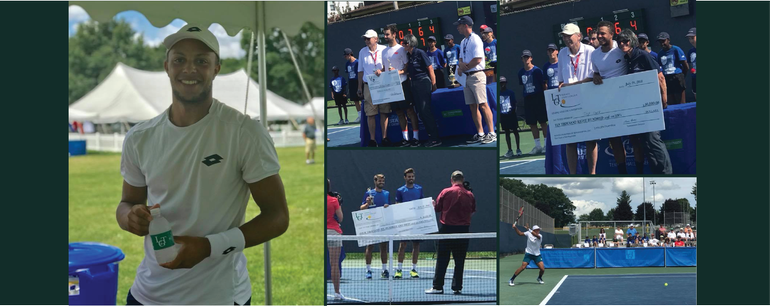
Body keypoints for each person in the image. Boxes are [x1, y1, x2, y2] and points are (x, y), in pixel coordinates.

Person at [118, 24, 289, 305]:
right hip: (148, 294)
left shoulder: (243, 132)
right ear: (167, 66)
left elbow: (278, 217)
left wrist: (209, 247)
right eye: (179, 60)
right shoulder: (140, 137)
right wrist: (130, 217)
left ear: (216, 69)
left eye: (201, 61)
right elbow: (126, 203)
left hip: (218, 296)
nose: (189, 69)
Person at [617, 29, 673, 174]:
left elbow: (660, 76)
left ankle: (667, 172)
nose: (623, 44)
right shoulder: (627, 59)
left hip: (651, 105)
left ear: (632, 41)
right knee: (645, 143)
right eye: (620, 42)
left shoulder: (643, 55)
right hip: (637, 107)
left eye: (626, 41)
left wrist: (664, 98)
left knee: (653, 140)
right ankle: (657, 171)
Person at [589, 21, 641, 175]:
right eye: (598, 33)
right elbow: (597, 72)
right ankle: (623, 173)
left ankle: (639, 172)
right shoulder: (594, 54)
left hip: (627, 101)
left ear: (612, 34)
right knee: (615, 141)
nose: (600, 36)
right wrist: (596, 75)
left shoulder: (621, 50)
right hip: (608, 104)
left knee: (634, 139)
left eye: (603, 33)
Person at [556, 23, 598, 174]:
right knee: (570, 140)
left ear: (579, 36)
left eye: (569, 35)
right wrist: (564, 86)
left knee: (590, 139)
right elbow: (561, 81)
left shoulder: (590, 51)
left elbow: (593, 77)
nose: (567, 39)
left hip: (588, 99)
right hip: (570, 102)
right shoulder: (561, 53)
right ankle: (573, 173)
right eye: (564, 36)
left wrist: (573, 85)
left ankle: (592, 173)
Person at [426, 170, 476, 295]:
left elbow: (437, 208)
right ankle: (457, 287)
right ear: (462, 180)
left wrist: (433, 204)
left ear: (451, 180)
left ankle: (437, 287)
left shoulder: (445, 192)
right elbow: (472, 211)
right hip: (463, 231)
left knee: (442, 259)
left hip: (446, 230)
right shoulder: (470, 195)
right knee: (460, 260)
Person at [455, 16, 496, 144]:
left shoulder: (476, 39)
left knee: (483, 104)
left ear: (466, 25)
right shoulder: (462, 41)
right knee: (473, 106)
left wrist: (465, 66)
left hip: (477, 75)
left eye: (460, 25)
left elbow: (478, 59)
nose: (458, 27)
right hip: (466, 77)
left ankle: (492, 133)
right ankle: (480, 133)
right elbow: (461, 58)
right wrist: (461, 65)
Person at [382, 25, 421, 147]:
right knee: (399, 112)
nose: (385, 37)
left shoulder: (401, 49)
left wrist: (398, 72)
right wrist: (379, 72)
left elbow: (406, 67)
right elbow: (384, 68)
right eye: (384, 34)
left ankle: (416, 137)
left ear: (394, 34)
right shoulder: (383, 51)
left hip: (402, 84)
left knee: (409, 111)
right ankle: (405, 138)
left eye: (387, 34)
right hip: (391, 86)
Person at [404, 34, 442, 147]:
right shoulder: (408, 55)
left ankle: (435, 138)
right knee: (420, 111)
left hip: (423, 82)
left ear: (410, 44)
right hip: (414, 83)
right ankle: (430, 136)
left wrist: (433, 84)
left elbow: (429, 68)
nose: (403, 45)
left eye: (405, 43)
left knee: (425, 110)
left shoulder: (420, 53)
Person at [357, 29, 390, 147]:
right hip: (369, 85)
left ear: (376, 39)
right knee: (370, 113)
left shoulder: (384, 49)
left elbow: (389, 66)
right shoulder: (362, 52)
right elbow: (360, 71)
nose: (366, 41)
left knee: (384, 111)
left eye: (368, 38)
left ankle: (385, 137)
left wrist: (382, 70)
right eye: (365, 38)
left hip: (382, 84)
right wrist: (359, 87)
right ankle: (372, 140)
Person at [360, 174, 391, 279]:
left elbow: (389, 208)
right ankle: (368, 270)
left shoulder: (387, 193)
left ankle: (384, 269)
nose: (381, 182)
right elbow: (362, 208)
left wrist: (388, 207)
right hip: (371, 224)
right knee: (370, 246)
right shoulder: (369, 193)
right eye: (379, 180)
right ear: (375, 181)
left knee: (383, 247)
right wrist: (367, 204)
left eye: (383, 180)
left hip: (383, 224)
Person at [394, 168, 424, 279]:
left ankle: (414, 269)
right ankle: (399, 269)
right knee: (403, 245)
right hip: (405, 222)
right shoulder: (400, 190)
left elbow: (422, 204)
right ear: (405, 178)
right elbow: (397, 204)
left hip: (416, 222)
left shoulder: (419, 189)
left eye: (412, 176)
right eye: (409, 176)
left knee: (416, 245)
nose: (411, 178)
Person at [519, 50, 548, 154]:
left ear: (531, 58)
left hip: (539, 98)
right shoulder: (521, 72)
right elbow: (523, 86)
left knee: (543, 122)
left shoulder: (537, 71)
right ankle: (538, 146)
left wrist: (545, 98)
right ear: (522, 59)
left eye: (528, 57)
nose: (526, 59)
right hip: (528, 99)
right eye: (524, 57)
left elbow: (544, 85)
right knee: (532, 124)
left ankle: (546, 145)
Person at [656, 32, 689, 105]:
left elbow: (685, 65)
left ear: (668, 40)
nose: (662, 44)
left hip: (677, 76)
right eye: (660, 42)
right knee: (671, 102)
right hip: (667, 78)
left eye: (663, 41)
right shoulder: (660, 53)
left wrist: (682, 76)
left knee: (681, 102)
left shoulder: (676, 49)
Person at [326, 179, 344, 300]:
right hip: (333, 232)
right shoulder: (333, 200)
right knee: (334, 264)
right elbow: (340, 218)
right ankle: (337, 293)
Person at [499, 76, 521, 158]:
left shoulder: (510, 92)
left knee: (515, 131)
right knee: (507, 133)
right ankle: (510, 150)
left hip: (511, 115)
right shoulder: (498, 93)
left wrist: (512, 111)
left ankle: (518, 149)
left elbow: (514, 103)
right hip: (503, 116)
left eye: (503, 83)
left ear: (506, 83)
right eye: (501, 83)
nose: (502, 85)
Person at [344, 48, 362, 122]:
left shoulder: (357, 62)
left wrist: (359, 86)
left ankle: (364, 115)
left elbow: (359, 73)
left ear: (349, 55)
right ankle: (360, 116)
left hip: (357, 82)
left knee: (361, 99)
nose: (345, 57)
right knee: (355, 100)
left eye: (345, 55)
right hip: (351, 82)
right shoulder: (347, 64)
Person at [686, 28, 696, 100]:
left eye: (693, 38)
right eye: (689, 39)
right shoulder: (690, 51)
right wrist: (693, 71)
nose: (691, 41)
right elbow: (691, 65)